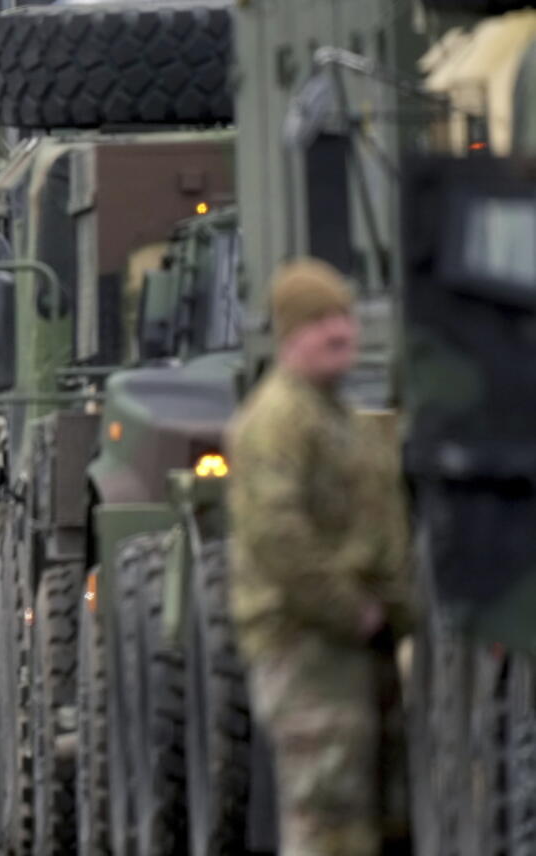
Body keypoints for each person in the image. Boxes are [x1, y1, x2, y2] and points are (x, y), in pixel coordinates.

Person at [226, 258, 413, 855]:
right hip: (308, 646)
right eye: (319, 322)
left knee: (374, 824)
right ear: (288, 335)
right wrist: (351, 610)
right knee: (329, 826)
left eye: (344, 318)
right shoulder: (277, 418)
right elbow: (276, 535)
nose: (339, 333)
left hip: (355, 648)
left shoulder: (339, 417)